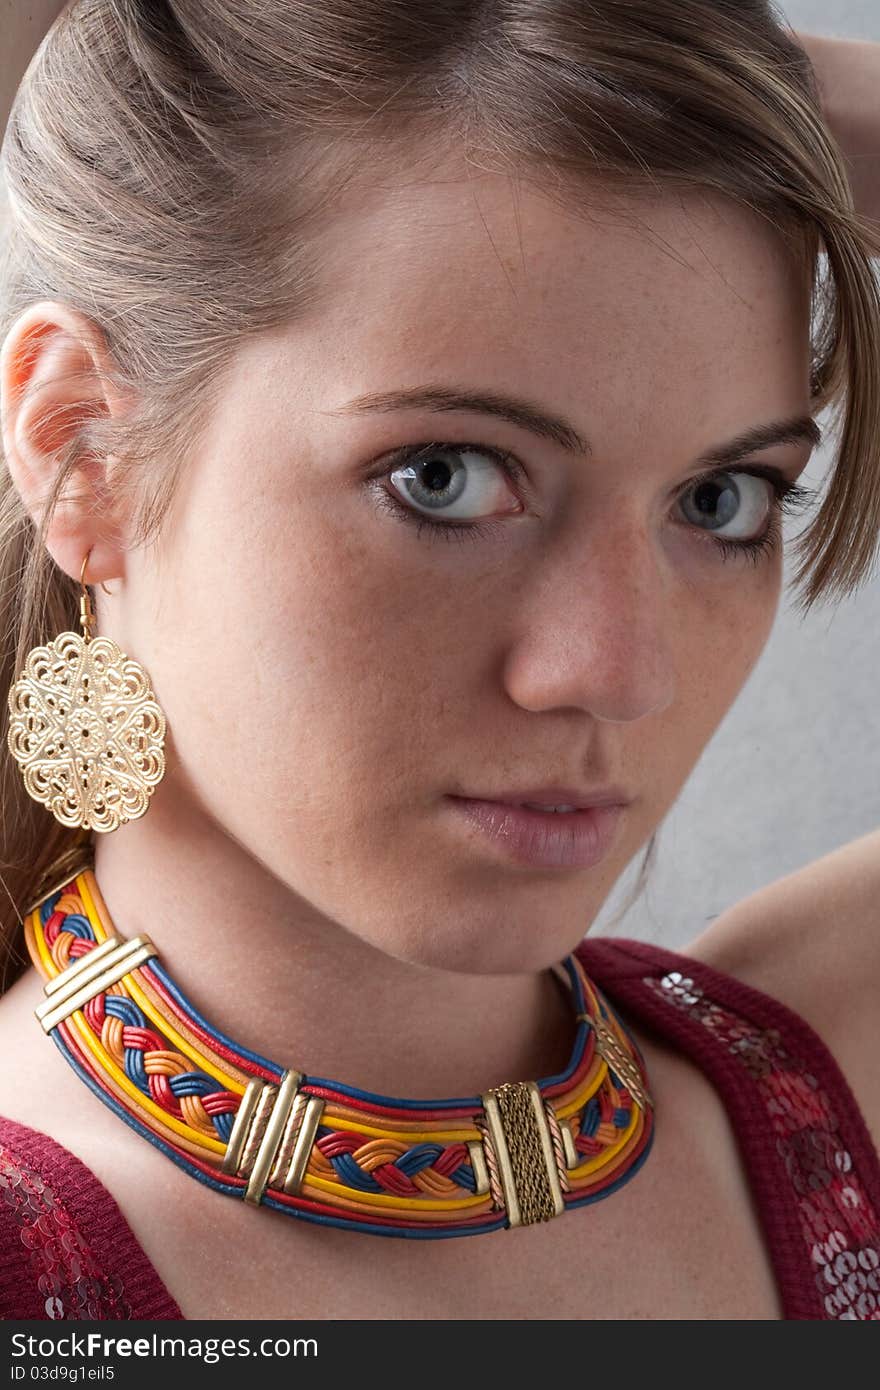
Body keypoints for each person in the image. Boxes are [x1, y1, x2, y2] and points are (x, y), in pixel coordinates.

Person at [0, 0, 878, 1323]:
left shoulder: (814, 1091)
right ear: (85, 456)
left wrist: (687, 57)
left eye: (722, 501)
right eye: (446, 477)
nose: (616, 672)